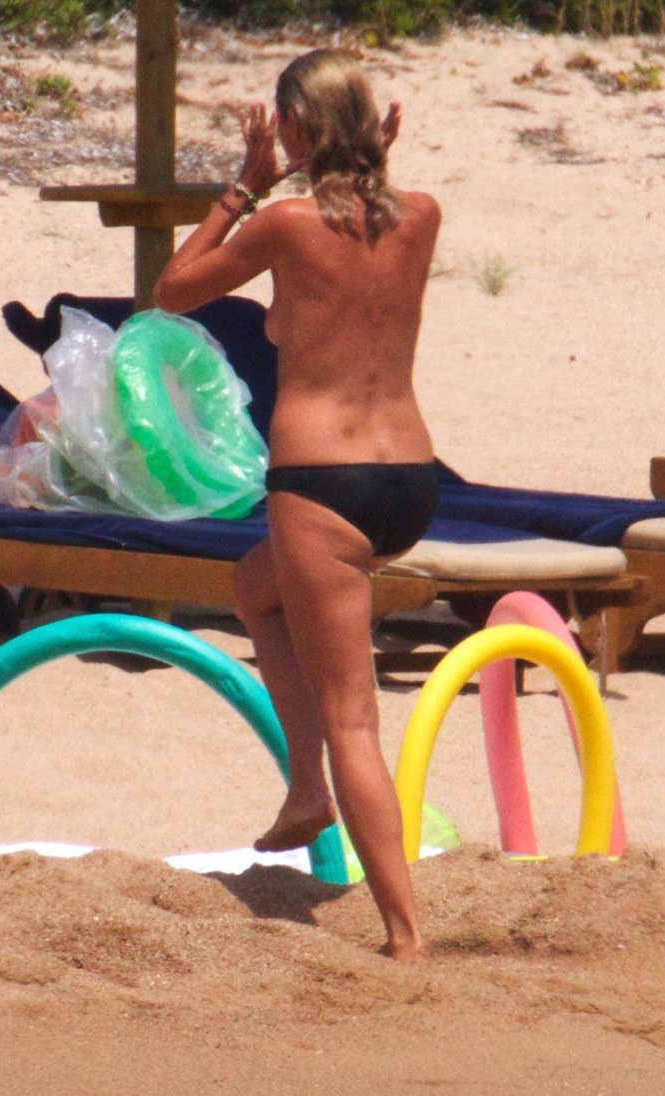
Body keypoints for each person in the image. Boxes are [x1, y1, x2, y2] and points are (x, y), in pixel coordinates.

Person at [154, 49, 441, 962]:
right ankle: (306, 790)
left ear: (294, 128)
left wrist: (244, 185)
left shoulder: (283, 223)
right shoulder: (423, 216)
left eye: (281, 123)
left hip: (322, 486)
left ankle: (405, 936)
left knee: (354, 718)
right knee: (255, 589)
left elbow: (172, 290)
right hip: (411, 481)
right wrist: (367, 159)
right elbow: (369, 217)